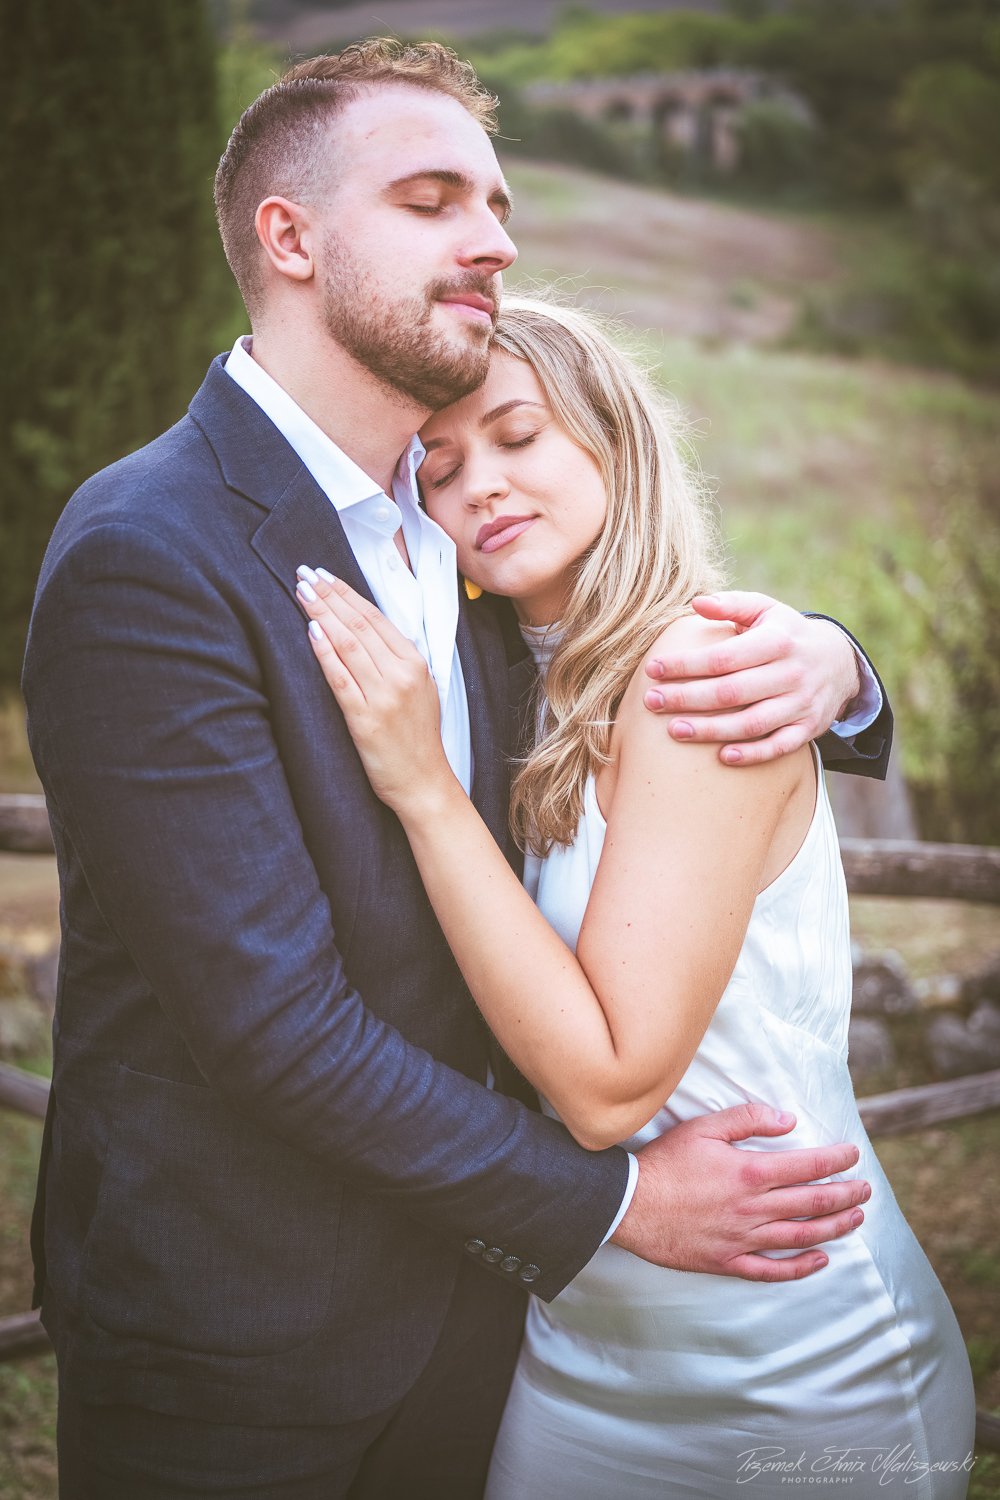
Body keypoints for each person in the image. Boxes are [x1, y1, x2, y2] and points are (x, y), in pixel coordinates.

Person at [23, 42, 886, 1500]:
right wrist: (613, 1205)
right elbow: (275, 1023)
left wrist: (835, 664)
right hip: (248, 1346)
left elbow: (629, 661)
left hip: (487, 1333)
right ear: (289, 238)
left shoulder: (460, 545)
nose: (490, 237)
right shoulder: (147, 556)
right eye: (431, 199)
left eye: (494, 204)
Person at [297, 296, 975, 1498]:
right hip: (579, 1337)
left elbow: (609, 1087)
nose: (481, 487)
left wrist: (422, 792)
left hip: (784, 1347)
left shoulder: (695, 678)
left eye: (519, 436)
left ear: (612, 438)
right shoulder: (520, 686)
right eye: (439, 471)